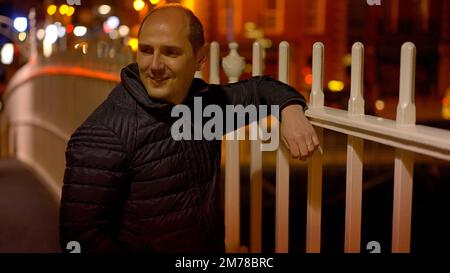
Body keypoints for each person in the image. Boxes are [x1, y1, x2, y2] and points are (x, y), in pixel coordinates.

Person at [59, 4, 319, 253]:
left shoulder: (203, 105)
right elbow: (80, 240)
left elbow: (259, 90)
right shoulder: (104, 134)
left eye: (170, 52)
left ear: (200, 58)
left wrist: (291, 109)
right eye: (147, 51)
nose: (155, 66)